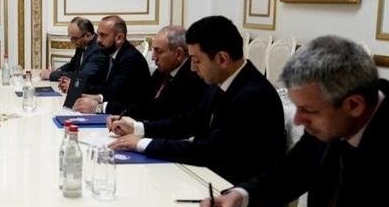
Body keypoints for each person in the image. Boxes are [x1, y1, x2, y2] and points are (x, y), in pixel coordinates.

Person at [185, 36, 389, 207]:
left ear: (353, 105)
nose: (297, 120)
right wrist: (239, 196)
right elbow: (293, 172)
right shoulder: (336, 114)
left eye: (308, 110)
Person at [109, 15, 285, 185]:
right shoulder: (222, 81)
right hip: (209, 176)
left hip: (233, 189)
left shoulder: (254, 96)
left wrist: (143, 144)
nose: (192, 68)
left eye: (197, 60)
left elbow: (208, 151)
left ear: (222, 59)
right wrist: (138, 128)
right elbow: (188, 122)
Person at [73, 25, 207, 119]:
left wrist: (100, 107)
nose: (153, 57)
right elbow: (140, 101)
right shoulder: (162, 71)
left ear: (178, 54)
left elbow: (157, 111)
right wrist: (100, 100)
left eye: (158, 51)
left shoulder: (193, 77)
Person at [69, 15, 150, 104]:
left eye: (103, 35)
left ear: (119, 38)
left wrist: (98, 101)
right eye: (98, 34)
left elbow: (116, 93)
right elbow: (104, 87)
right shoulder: (109, 53)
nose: (98, 40)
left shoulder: (131, 59)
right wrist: (78, 87)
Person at [39, 17, 107, 93]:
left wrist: (51, 75)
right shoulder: (81, 45)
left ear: (88, 35)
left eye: (74, 38)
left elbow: (82, 76)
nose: (72, 41)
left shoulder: (98, 49)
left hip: (92, 93)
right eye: (70, 37)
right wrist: (58, 70)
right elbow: (71, 65)